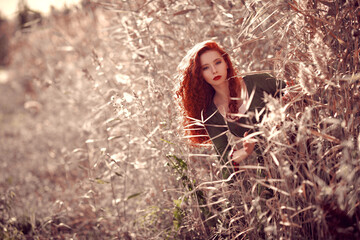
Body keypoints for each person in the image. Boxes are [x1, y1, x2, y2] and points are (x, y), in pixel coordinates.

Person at [175, 40, 285, 179]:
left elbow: (300, 93)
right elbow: (225, 166)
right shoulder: (211, 114)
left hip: (301, 149)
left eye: (217, 62)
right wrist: (244, 152)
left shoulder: (257, 82)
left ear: (226, 62)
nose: (214, 70)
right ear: (199, 75)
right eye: (205, 68)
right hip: (269, 172)